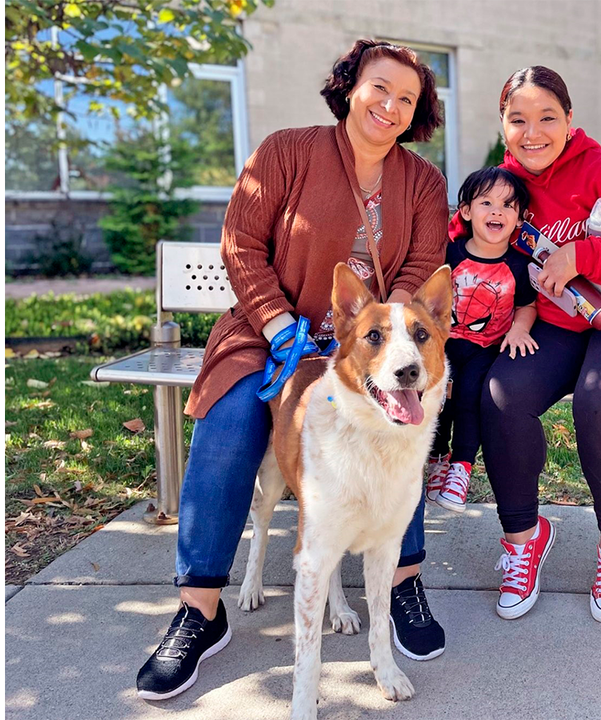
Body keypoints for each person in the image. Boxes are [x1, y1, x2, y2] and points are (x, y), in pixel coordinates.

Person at [136, 38, 451, 700]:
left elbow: (423, 276)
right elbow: (242, 244)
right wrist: (282, 328)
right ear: (349, 86)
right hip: (267, 330)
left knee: (401, 422)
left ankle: (402, 582)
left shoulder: (423, 182)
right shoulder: (285, 151)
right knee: (228, 419)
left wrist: (374, 336)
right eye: (379, 88)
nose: (389, 106)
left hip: (367, 341)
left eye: (407, 98)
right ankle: (200, 609)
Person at [478, 66, 601, 624]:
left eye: (547, 118)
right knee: (501, 395)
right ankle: (524, 536)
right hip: (556, 323)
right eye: (518, 119)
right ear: (503, 124)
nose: (532, 132)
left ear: (569, 121)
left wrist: (584, 256)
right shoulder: (501, 186)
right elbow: (471, 239)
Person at [424, 167, 538, 511]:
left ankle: (461, 468)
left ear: (519, 218)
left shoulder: (519, 265)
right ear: (466, 211)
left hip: (485, 349)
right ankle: (437, 458)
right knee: (437, 396)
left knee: (471, 394)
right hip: (442, 346)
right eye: (486, 202)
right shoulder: (449, 255)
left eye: (507, 205)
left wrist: (520, 328)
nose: (496, 211)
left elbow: (528, 305)